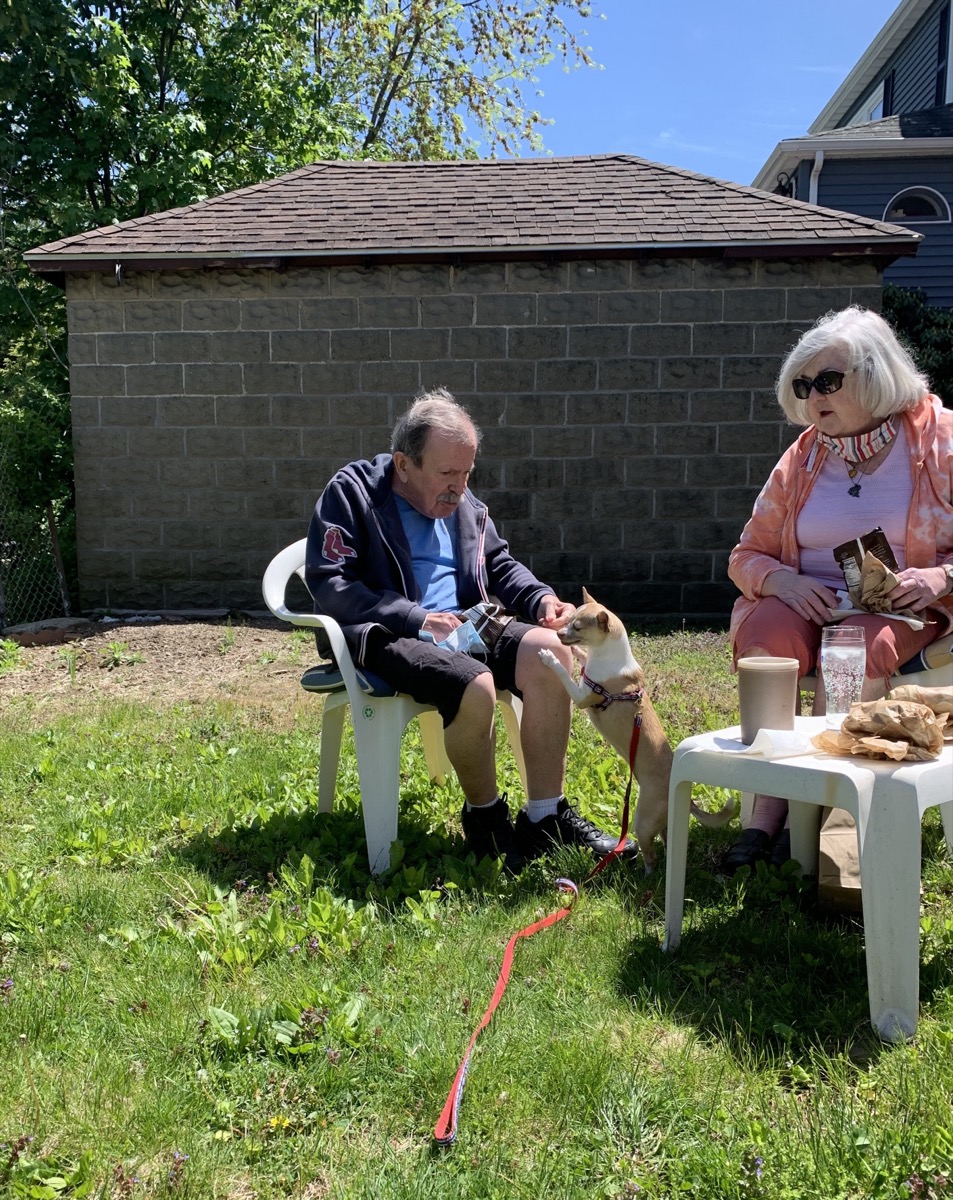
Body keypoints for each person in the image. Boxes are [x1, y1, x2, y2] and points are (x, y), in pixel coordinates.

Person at [305, 388, 636, 870]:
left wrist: (541, 599)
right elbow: (329, 583)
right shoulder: (353, 493)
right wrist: (416, 618)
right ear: (404, 464)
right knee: (475, 684)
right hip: (388, 633)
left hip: (468, 623)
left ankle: (545, 817)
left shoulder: (461, 501)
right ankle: (487, 822)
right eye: (447, 474)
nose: (460, 488)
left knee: (553, 652)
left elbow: (498, 563)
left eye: (467, 473)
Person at [724, 306, 953, 872]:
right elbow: (746, 555)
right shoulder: (803, 456)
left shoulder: (941, 441)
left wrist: (939, 577)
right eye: (804, 386)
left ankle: (822, 819)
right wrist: (783, 580)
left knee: (851, 647)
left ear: (876, 376)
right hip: (810, 600)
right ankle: (766, 811)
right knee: (765, 637)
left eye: (827, 381)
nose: (813, 398)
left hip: (901, 611)